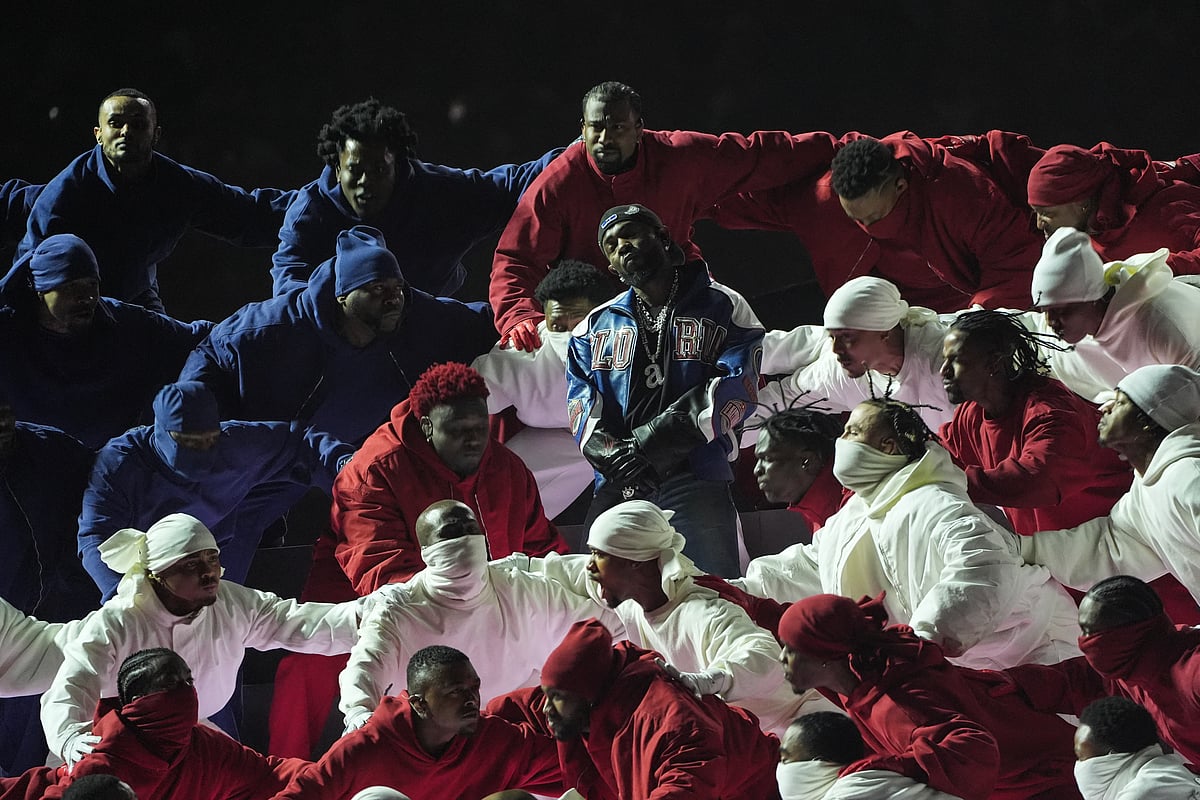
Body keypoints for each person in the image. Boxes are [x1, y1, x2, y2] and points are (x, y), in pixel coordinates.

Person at [271, 363, 568, 758]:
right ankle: (285, 767)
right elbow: (377, 565)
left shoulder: (507, 468)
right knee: (305, 668)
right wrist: (457, 612)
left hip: (475, 594)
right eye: (457, 430)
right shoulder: (373, 469)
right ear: (427, 426)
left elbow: (541, 546)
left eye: (480, 428)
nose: (473, 441)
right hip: (365, 590)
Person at [491, 80, 838, 349]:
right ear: (582, 129)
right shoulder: (558, 184)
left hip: (680, 291)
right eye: (596, 128)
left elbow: (757, 156)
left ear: (639, 128)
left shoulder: (680, 156)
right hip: (596, 315)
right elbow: (515, 258)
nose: (605, 139)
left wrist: (844, 148)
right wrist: (518, 317)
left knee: (741, 352)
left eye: (618, 128)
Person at [740, 398, 1081, 669]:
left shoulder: (935, 499)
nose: (840, 443)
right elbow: (814, 564)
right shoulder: (858, 511)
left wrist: (921, 639)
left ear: (888, 447)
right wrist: (739, 590)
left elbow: (984, 566)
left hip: (1039, 648)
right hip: (974, 666)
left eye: (852, 432)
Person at [40, 514, 361, 767]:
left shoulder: (230, 602)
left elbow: (296, 621)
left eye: (213, 559)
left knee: (257, 781)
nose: (209, 572)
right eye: (192, 564)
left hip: (189, 731)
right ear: (158, 574)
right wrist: (69, 737)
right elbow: (71, 684)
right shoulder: (119, 621)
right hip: (112, 736)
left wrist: (373, 615)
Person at [567, 204, 763, 577]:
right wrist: (616, 456)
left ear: (663, 238)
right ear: (611, 266)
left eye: (630, 234)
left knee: (711, 590)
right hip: (621, 480)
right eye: (611, 245)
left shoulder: (723, 304)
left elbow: (740, 386)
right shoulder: (592, 328)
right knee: (598, 595)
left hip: (695, 475)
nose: (622, 246)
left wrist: (649, 445)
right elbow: (581, 406)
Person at [179, 225, 496, 449]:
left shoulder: (414, 317)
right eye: (376, 289)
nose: (393, 298)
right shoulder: (276, 325)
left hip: (329, 468)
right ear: (342, 296)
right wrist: (196, 427)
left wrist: (520, 321)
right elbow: (213, 353)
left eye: (397, 287)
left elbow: (480, 320)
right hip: (248, 460)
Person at [338, 500, 622, 732]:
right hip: (440, 736)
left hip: (526, 723)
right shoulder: (398, 608)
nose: (464, 537)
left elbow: (600, 627)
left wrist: (644, 622)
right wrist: (359, 713)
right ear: (426, 551)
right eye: (451, 532)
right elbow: (366, 665)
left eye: (470, 528)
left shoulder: (517, 585)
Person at [778, 594, 1080, 800]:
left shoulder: (896, 704)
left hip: (1045, 784)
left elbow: (974, 748)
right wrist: (760, 609)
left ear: (825, 657)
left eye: (790, 650)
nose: (781, 658)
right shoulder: (857, 676)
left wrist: (889, 766)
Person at [11, 88, 290, 312]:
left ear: (155, 134)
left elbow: (244, 213)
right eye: (115, 123)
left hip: (137, 291)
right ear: (99, 134)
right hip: (73, 303)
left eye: (138, 124)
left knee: (172, 357)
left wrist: (312, 205)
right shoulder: (64, 196)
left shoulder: (178, 184)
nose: (126, 132)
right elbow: (28, 269)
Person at [77, 381, 354, 600]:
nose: (201, 451)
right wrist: (123, 597)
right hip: (153, 565)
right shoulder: (120, 464)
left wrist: (349, 465)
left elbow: (301, 442)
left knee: (222, 629)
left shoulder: (233, 443)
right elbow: (94, 537)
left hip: (219, 549)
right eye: (188, 442)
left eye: (209, 440)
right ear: (161, 430)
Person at [575, 500, 830, 734]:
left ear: (635, 562)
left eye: (599, 554)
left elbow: (764, 654)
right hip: (743, 736)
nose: (589, 566)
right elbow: (570, 575)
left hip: (800, 729)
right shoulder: (632, 602)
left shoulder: (701, 611)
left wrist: (707, 681)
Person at [711, 133, 1043, 311]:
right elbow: (750, 202)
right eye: (855, 219)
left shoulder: (963, 194)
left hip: (954, 303)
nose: (868, 226)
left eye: (876, 217)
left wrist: (974, 324)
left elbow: (1015, 260)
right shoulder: (823, 198)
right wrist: (690, 200)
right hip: (865, 306)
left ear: (901, 186)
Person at [271, 97, 560, 297]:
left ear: (396, 167)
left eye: (378, 170)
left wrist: (578, 150)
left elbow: (511, 185)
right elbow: (290, 290)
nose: (365, 182)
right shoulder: (309, 213)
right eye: (355, 171)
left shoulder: (439, 193)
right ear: (337, 169)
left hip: (427, 321)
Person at [531, 618, 782, 800]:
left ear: (587, 694)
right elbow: (522, 710)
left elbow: (687, 784)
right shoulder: (600, 704)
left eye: (556, 697)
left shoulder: (670, 719)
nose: (545, 709)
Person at [268, 646, 563, 800]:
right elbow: (303, 792)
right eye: (456, 691)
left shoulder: (492, 738)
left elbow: (572, 765)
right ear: (419, 704)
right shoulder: (364, 749)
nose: (472, 699)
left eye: (474, 688)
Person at [0, 234, 211, 448]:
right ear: (40, 289)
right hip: (30, 461)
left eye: (92, 284)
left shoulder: (124, 324)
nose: (86, 297)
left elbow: (199, 338)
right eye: (71, 286)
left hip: (110, 461)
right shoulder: (8, 334)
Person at [1021, 365, 1200, 612]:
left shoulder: (1190, 477)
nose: (1104, 407)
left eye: (1119, 403)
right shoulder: (1149, 486)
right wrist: (1022, 549)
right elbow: (1110, 546)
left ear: (1148, 421)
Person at [938, 309, 1134, 533]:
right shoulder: (972, 413)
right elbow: (943, 454)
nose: (943, 371)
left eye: (955, 360)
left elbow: (1035, 479)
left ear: (993, 363)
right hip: (1059, 548)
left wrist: (947, 479)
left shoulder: (1051, 414)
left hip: (1115, 542)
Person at [1000, 576, 1200, 767]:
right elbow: (1078, 681)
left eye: (1089, 632)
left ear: (1123, 633)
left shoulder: (1193, 672)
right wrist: (1016, 682)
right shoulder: (1136, 669)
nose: (1083, 642)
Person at [472, 260, 615, 519]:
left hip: (624, 437)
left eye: (580, 323)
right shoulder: (522, 355)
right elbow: (457, 401)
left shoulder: (637, 341)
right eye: (558, 326)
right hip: (553, 436)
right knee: (492, 492)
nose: (570, 336)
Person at [63, 648, 306, 800]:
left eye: (189, 682)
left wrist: (323, 772)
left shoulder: (204, 744)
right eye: (170, 685)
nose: (186, 693)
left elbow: (267, 775)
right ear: (139, 700)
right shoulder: (99, 763)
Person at [0, 394, 95, 775]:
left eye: (5, 413)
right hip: (6, 613)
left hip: (50, 611)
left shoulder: (50, 450)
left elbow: (104, 496)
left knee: (35, 719)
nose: (2, 425)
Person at [754, 276, 954, 432]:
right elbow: (784, 399)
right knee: (764, 353)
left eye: (847, 337)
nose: (836, 349)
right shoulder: (840, 370)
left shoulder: (946, 364)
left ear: (884, 331)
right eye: (833, 337)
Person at [1029, 227, 1200, 404]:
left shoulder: (1165, 326)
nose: (1050, 322)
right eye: (1044, 310)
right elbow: (1030, 330)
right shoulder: (1073, 325)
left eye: (1060, 311)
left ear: (1092, 299)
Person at [1027, 142, 1200, 275]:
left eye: (1046, 213)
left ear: (1081, 203)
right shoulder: (1081, 233)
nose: (1038, 224)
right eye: (1036, 212)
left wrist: (1150, 269)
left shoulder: (1165, 209)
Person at [775, 712, 963, 800]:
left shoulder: (851, 792)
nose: (780, 768)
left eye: (785, 759)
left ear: (819, 764)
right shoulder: (862, 782)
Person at [1073, 696, 1200, 800]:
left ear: (1113, 756)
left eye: (1081, 756)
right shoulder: (1162, 773)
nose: (1078, 764)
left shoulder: (1147, 789)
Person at [751, 406, 846, 533]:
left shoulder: (855, 501)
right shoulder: (815, 512)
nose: (757, 470)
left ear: (808, 461)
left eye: (768, 459)